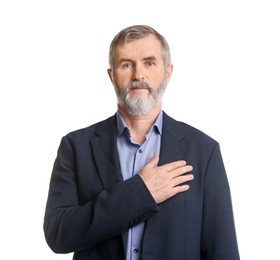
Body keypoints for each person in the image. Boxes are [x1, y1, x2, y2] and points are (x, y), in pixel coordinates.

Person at [44, 25, 240, 260]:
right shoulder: (76, 147)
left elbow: (223, 252)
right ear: (111, 76)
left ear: (168, 73)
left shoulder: (204, 151)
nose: (138, 75)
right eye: (127, 64)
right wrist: (140, 193)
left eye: (149, 63)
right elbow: (58, 235)